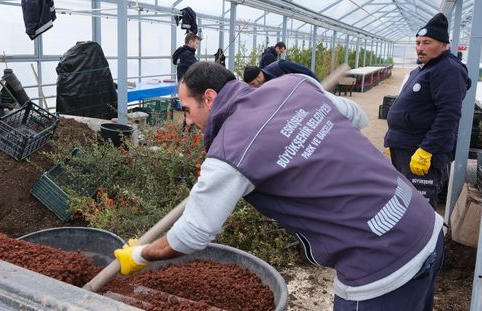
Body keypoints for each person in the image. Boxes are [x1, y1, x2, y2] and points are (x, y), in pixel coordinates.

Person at [114, 62, 444, 311]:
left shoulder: (230, 152)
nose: (186, 121)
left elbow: (191, 235)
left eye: (186, 110)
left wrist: (140, 255)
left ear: (210, 98)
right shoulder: (294, 84)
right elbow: (357, 117)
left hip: (380, 266)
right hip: (424, 223)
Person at [384, 13, 471, 210]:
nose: (420, 48)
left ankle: (429, 241)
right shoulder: (425, 69)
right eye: (418, 42)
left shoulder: (448, 69)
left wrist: (426, 150)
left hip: (421, 154)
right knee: (405, 205)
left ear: (444, 45)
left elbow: (449, 115)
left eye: (427, 42)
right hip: (406, 150)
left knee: (419, 209)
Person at [243, 59, 319, 88]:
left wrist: (319, 87)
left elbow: (306, 72)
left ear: (259, 77)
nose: (252, 87)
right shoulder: (262, 86)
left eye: (252, 84)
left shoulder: (280, 66)